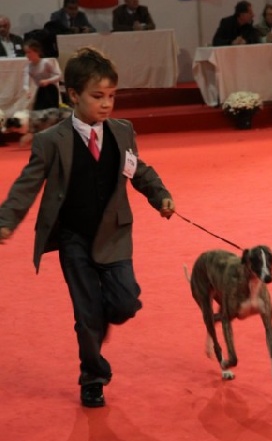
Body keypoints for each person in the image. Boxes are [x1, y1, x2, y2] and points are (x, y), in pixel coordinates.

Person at [0, 46, 175, 408]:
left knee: (125, 304)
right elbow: (26, 186)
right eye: (98, 96)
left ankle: (102, 318)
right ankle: (93, 376)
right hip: (73, 239)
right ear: (74, 95)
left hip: (114, 234)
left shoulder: (123, 132)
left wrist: (160, 196)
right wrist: (6, 221)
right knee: (86, 314)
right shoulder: (51, 141)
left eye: (112, 95)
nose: (107, 104)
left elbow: (137, 170)